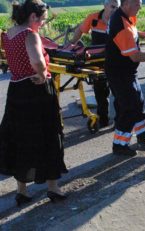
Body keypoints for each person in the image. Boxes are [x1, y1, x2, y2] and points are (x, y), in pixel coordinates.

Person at [0, 0, 67, 206]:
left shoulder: (9, 34)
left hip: (16, 90)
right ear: (33, 17)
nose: (43, 23)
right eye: (43, 19)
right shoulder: (30, 34)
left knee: (21, 139)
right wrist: (42, 73)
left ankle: (22, 191)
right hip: (35, 89)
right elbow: (36, 60)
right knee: (48, 135)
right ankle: (53, 188)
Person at [105, 0, 145, 156]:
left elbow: (132, 31)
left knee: (138, 103)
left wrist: (142, 34)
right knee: (129, 108)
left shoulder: (125, 16)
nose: (140, 7)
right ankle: (119, 146)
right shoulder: (121, 26)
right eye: (137, 4)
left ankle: (143, 137)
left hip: (126, 72)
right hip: (120, 74)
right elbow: (135, 56)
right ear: (127, 4)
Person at [64, 0, 121, 127]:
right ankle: (103, 120)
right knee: (100, 91)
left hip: (114, 60)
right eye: (112, 7)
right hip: (96, 61)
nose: (114, 10)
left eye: (117, 8)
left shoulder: (120, 19)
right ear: (105, 5)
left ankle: (119, 122)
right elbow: (80, 30)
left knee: (117, 92)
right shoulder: (93, 18)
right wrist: (72, 44)